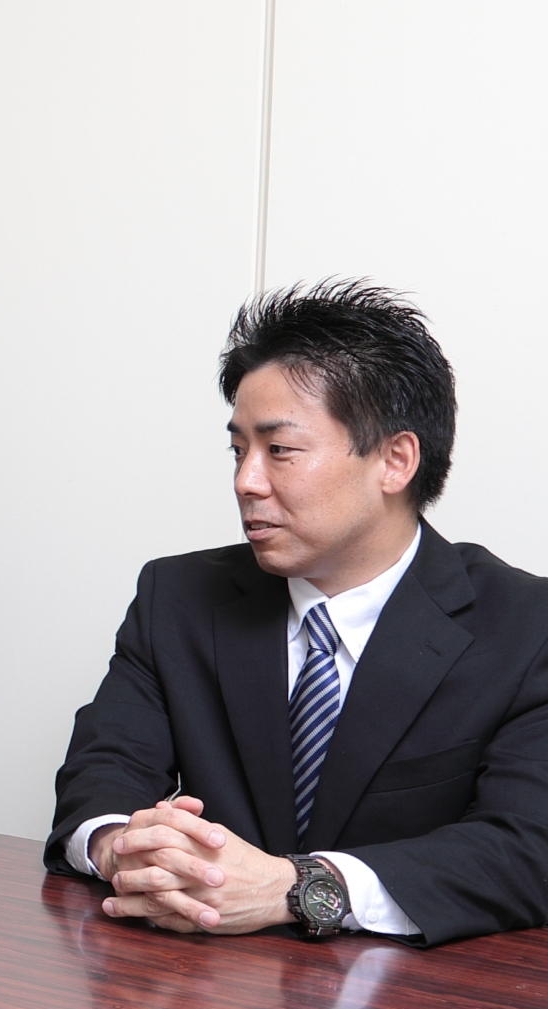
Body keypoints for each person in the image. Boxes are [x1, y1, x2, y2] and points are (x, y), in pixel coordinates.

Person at [48, 280, 548, 946]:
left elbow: (525, 849)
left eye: (279, 451)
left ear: (395, 460)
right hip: (202, 983)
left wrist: (298, 886)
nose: (246, 482)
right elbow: (104, 770)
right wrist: (121, 848)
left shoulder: (525, 627)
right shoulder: (179, 596)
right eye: (238, 451)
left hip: (413, 993)